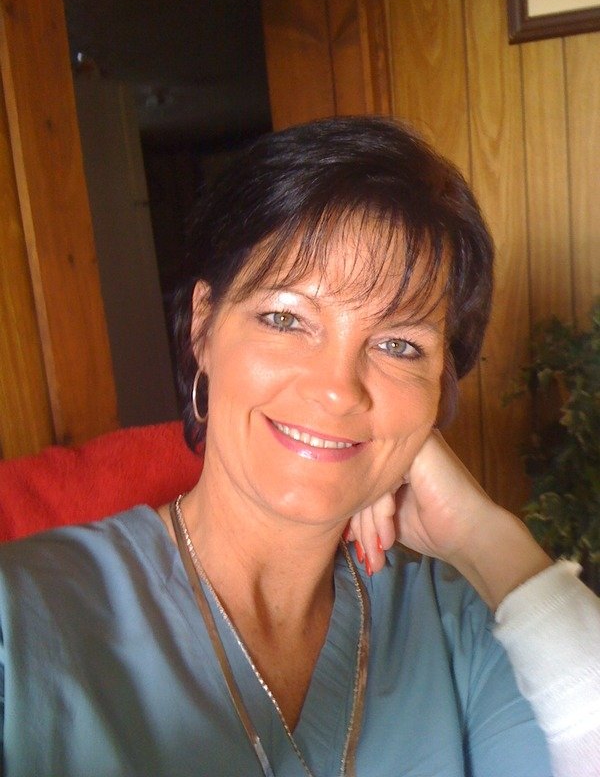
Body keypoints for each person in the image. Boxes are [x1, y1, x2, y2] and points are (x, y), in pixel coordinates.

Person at [0, 116, 599, 777]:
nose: (337, 389)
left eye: (399, 345)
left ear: (439, 390)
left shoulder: (466, 623)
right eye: (285, 318)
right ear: (203, 327)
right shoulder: (19, 621)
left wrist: (487, 540)